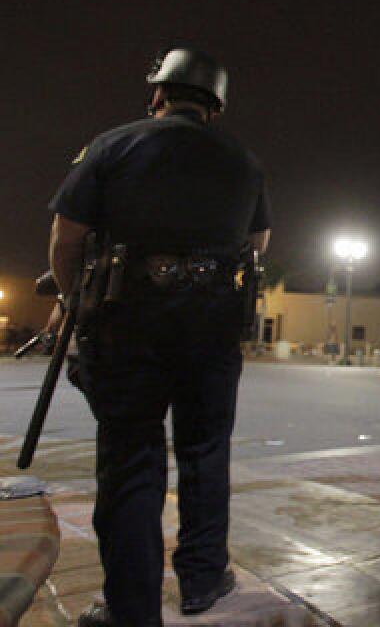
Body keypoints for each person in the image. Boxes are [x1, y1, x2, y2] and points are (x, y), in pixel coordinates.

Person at [48, 48, 270, 627]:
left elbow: (65, 235)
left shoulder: (115, 144)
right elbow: (260, 242)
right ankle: (201, 579)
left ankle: (132, 606)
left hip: (130, 319)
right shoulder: (245, 161)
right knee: (205, 450)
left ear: (158, 93)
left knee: (131, 458)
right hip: (213, 326)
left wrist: (74, 300)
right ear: (215, 107)